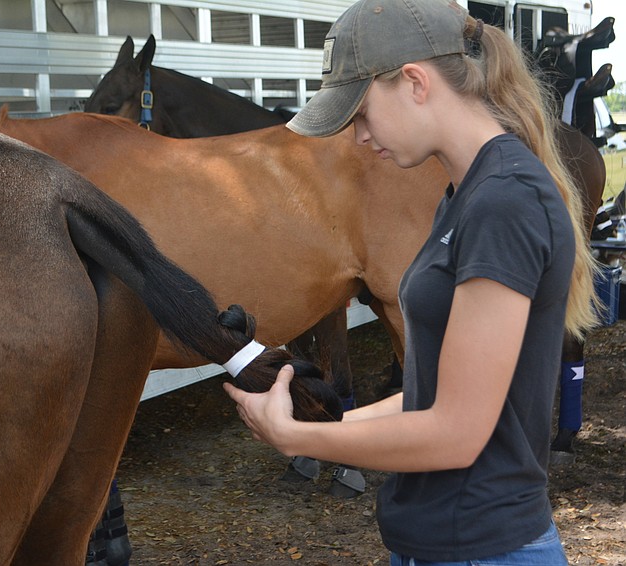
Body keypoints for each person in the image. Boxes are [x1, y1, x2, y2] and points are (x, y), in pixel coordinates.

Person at [223, 0, 599, 563]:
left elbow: (457, 431)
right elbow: (435, 397)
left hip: (479, 547)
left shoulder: (503, 201)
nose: (357, 136)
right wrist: (333, 422)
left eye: (362, 113)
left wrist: (297, 439)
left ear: (416, 82)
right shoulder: (467, 193)